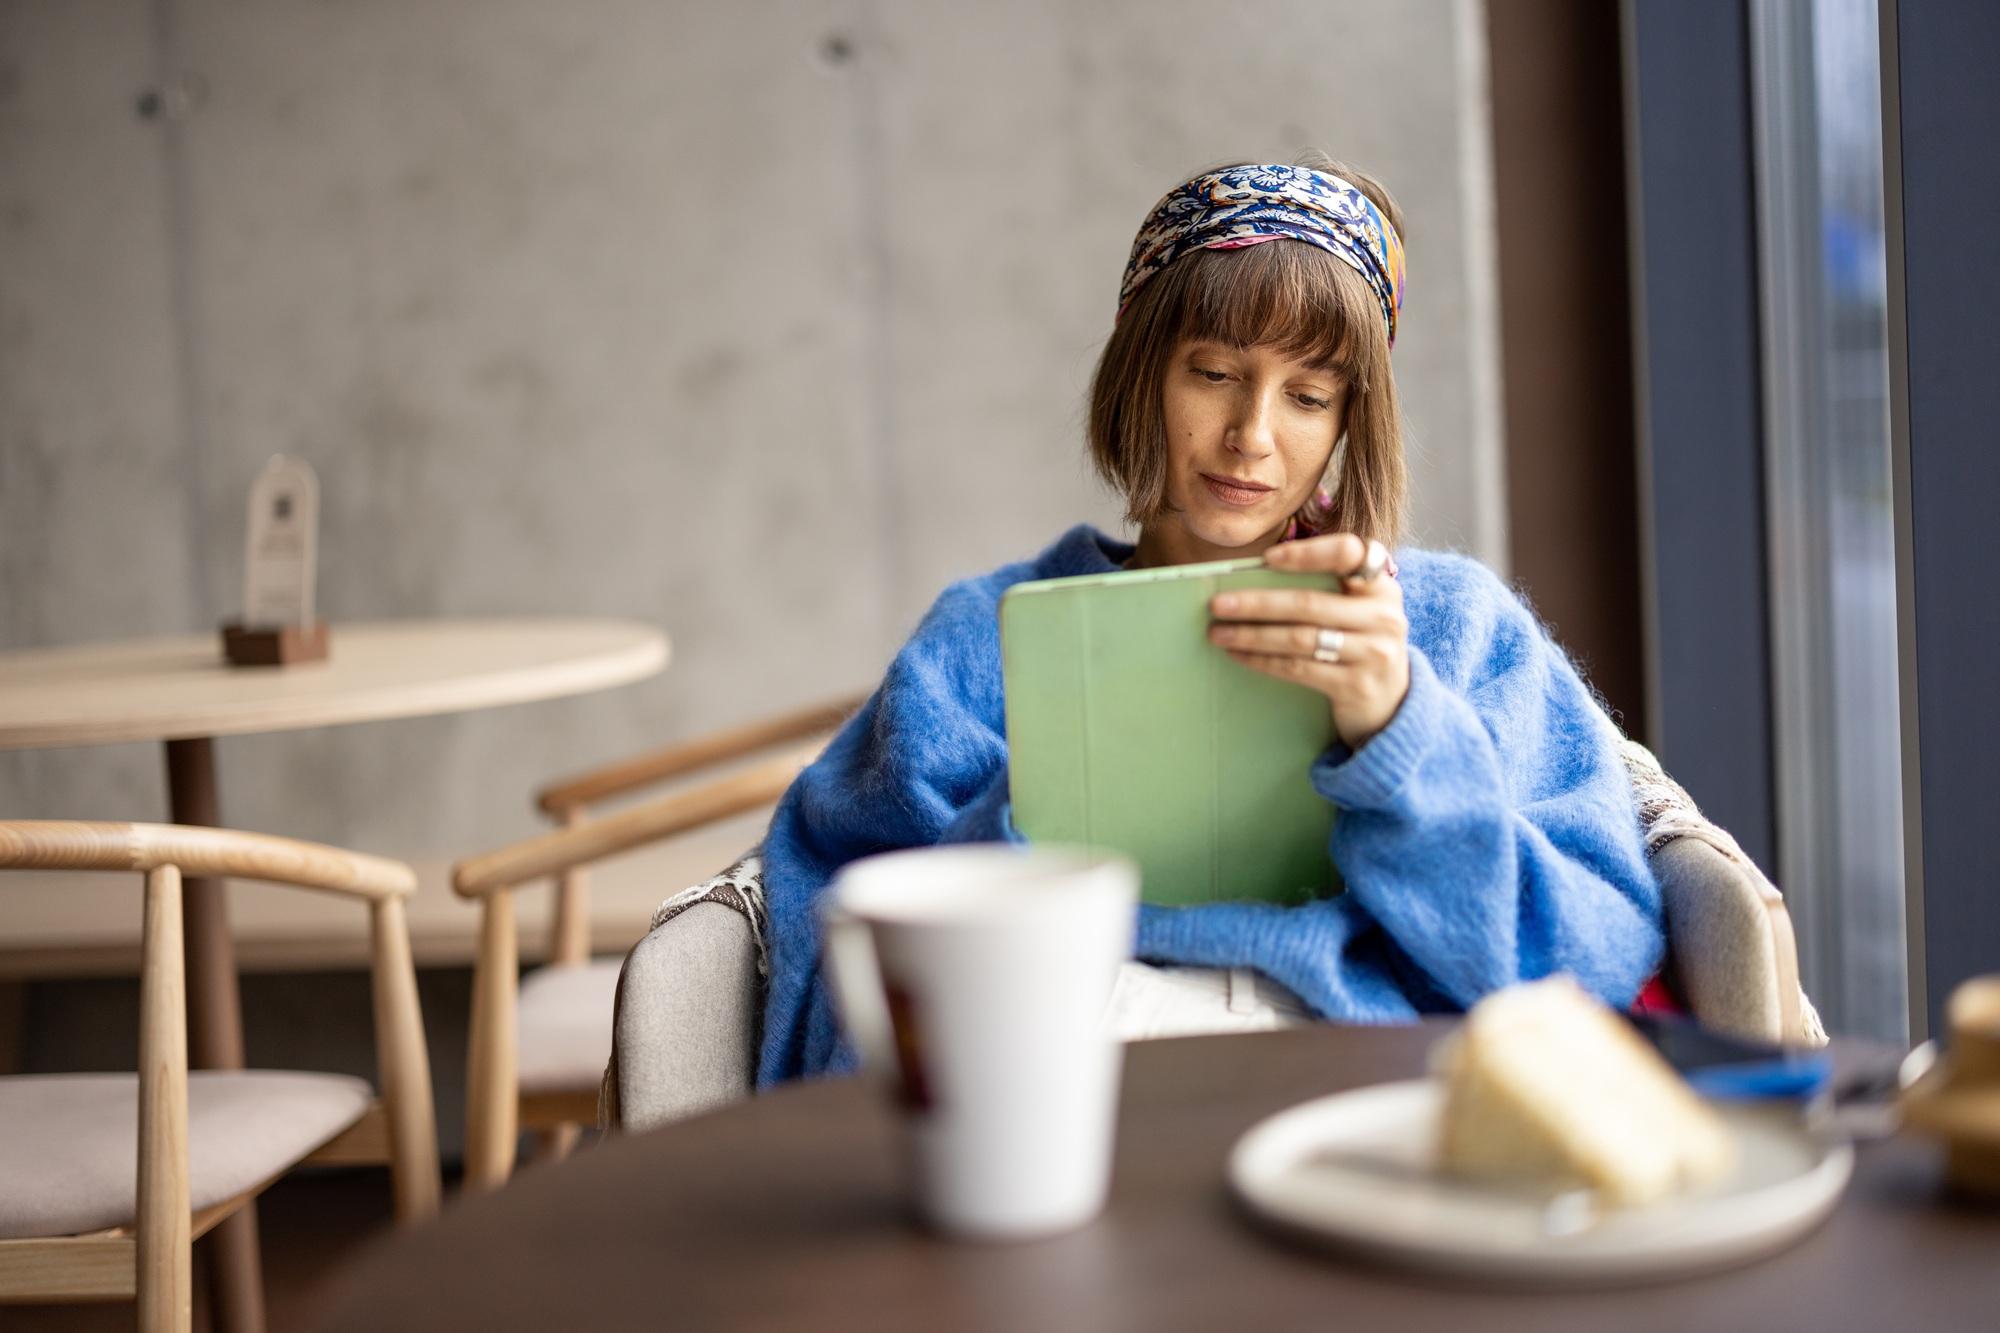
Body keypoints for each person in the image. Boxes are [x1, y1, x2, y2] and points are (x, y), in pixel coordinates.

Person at [753, 156, 1663, 1085]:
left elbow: (1583, 973)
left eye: (1308, 397)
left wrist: (1401, 739)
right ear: (1143, 373)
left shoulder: (1451, 628)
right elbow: (840, 1028)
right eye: (1216, 372)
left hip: (1357, 1069)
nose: (1253, 435)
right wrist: (1047, 801)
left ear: (1352, 422)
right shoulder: (981, 641)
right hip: (1068, 1059)